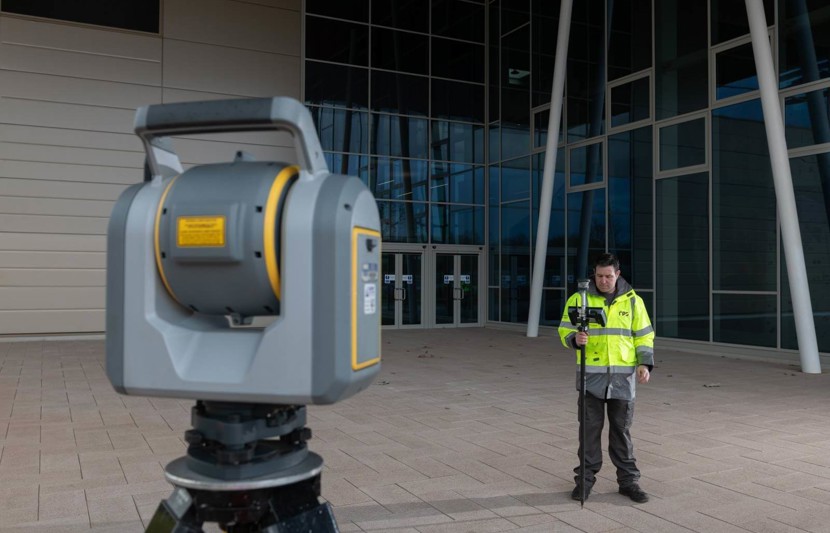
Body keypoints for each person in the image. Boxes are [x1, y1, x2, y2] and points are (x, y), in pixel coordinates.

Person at [558, 253, 654, 504]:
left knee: (621, 433)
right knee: (588, 433)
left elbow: (643, 336)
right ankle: (585, 483)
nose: (603, 280)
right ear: (594, 274)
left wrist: (644, 363)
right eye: (599, 276)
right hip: (591, 378)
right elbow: (564, 329)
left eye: (608, 276)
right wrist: (573, 340)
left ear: (618, 274)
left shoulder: (633, 302)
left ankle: (628, 482)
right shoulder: (579, 299)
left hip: (623, 379)